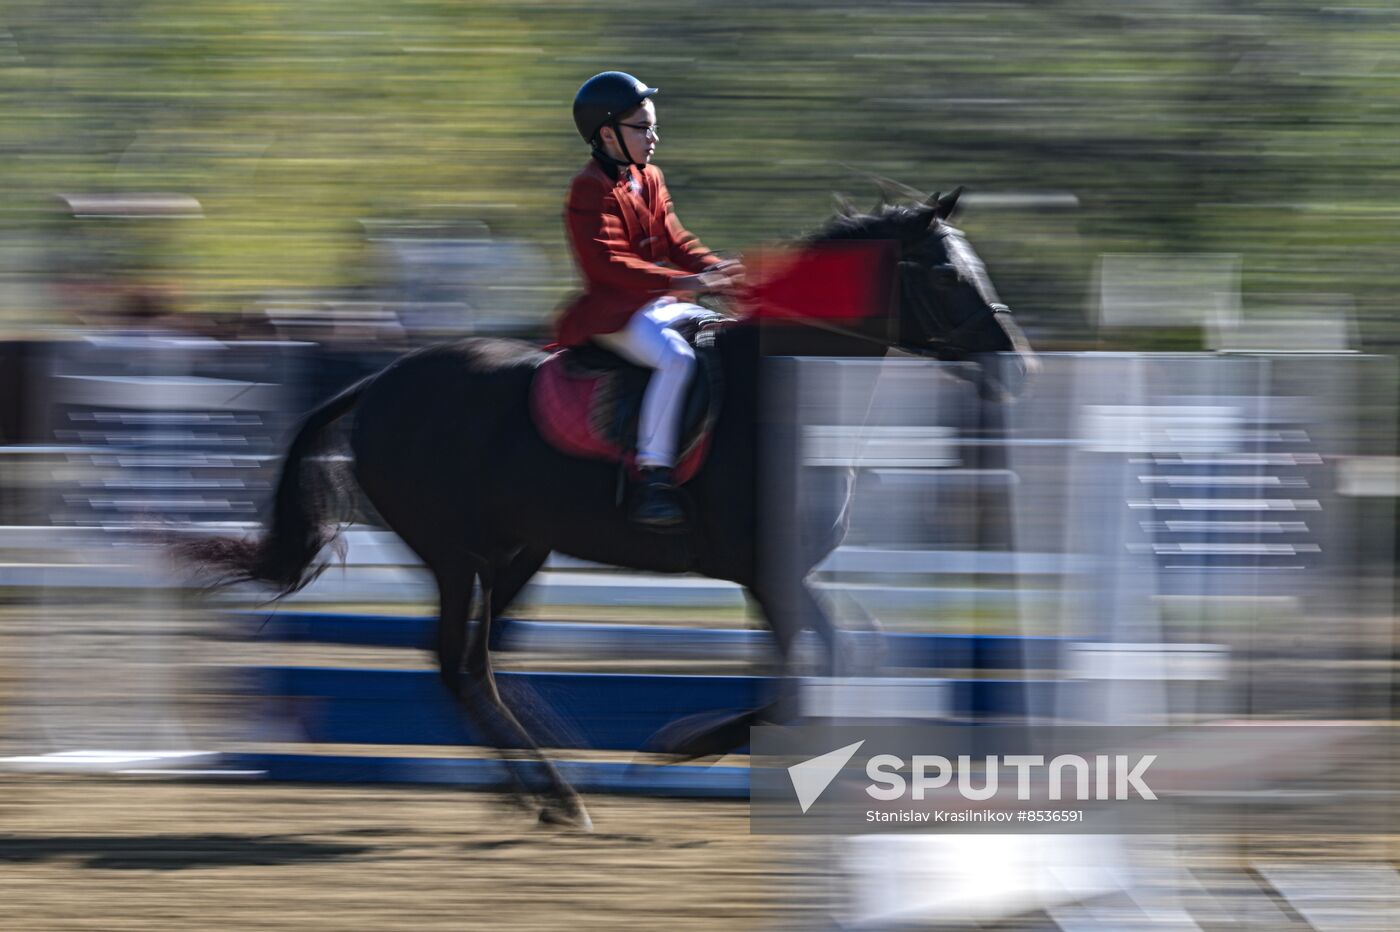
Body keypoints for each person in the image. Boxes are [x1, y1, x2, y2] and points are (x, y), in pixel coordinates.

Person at [558, 71, 744, 530]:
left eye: (653, 126)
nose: (654, 137)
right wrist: (689, 283)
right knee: (678, 359)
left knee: (725, 338)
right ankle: (655, 478)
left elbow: (676, 241)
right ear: (607, 134)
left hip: (659, 303)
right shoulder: (588, 188)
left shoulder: (650, 177)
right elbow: (609, 266)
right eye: (643, 128)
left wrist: (718, 270)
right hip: (614, 313)